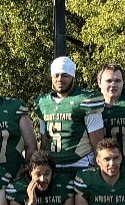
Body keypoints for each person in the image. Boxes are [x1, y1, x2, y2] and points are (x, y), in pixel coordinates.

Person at [34, 56, 106, 185]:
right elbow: (44, 140)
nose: (60, 79)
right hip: (53, 166)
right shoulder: (43, 103)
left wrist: (98, 167)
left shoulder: (85, 100)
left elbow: (98, 143)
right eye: (56, 75)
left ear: (73, 77)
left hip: (81, 163)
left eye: (65, 75)